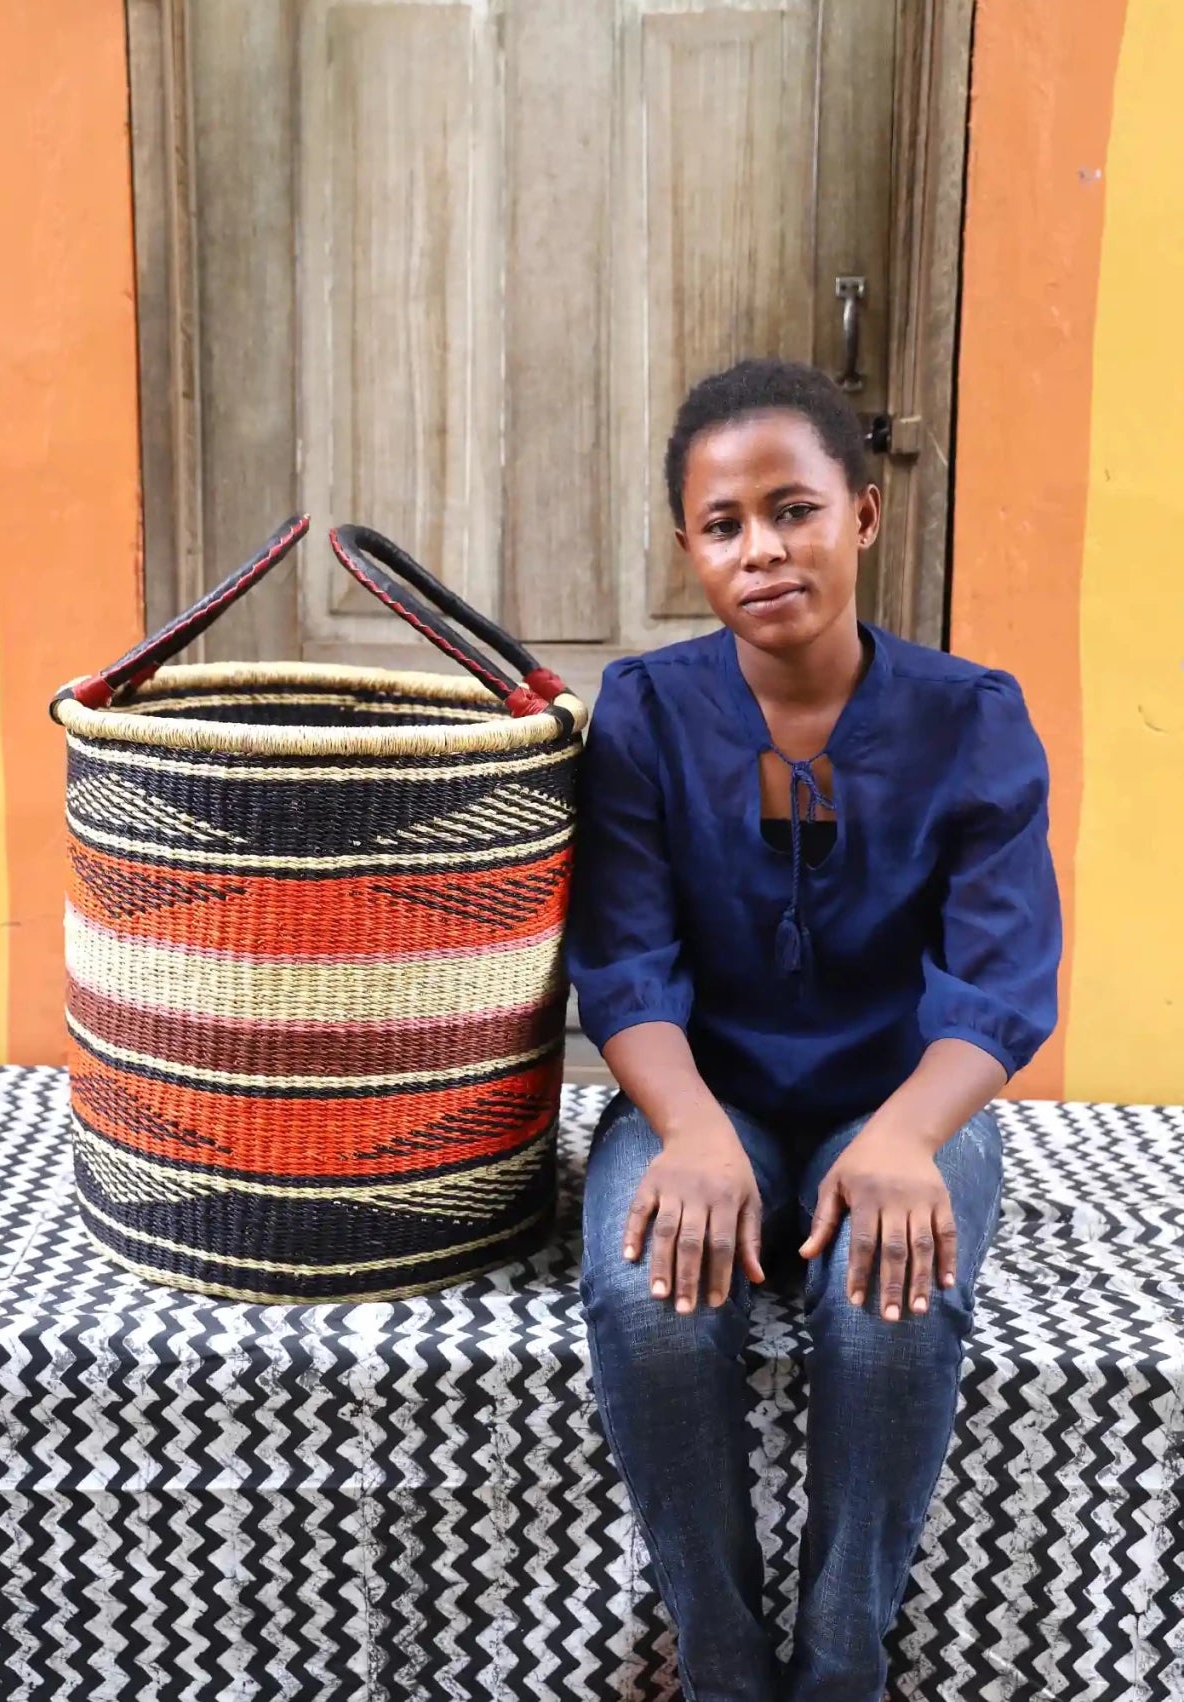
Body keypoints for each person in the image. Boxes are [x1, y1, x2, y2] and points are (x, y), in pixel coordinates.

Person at [566, 358, 1061, 1702]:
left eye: (794, 509)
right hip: (702, 1092)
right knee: (650, 1306)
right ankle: (722, 1665)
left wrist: (906, 1138)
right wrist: (688, 1133)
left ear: (864, 515)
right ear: (688, 547)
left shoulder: (971, 719)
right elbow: (623, 963)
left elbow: (1002, 972)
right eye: (723, 524)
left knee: (890, 1302)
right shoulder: (645, 715)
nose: (762, 549)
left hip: (895, 1096)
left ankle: (845, 1666)